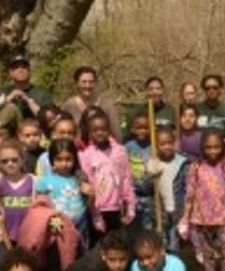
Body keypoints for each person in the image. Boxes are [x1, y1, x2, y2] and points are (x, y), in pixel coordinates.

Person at [179, 129, 225, 271]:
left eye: (216, 147)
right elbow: (189, 195)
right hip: (200, 221)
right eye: (208, 147)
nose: (212, 151)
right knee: (207, 259)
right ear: (202, 148)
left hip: (224, 220)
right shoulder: (195, 167)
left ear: (222, 147)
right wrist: (185, 219)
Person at [79, 109, 136, 240]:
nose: (100, 132)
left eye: (103, 129)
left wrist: (131, 204)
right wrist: (95, 215)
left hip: (118, 208)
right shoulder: (86, 155)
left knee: (120, 243)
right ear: (90, 132)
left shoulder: (120, 151)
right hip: (99, 210)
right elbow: (89, 185)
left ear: (109, 130)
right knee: (102, 246)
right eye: (95, 130)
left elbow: (126, 178)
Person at [149, 126, 189, 253]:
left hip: (178, 211)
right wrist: (150, 174)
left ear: (174, 143)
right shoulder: (154, 163)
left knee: (176, 243)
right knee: (162, 243)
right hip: (161, 211)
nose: (166, 146)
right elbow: (146, 188)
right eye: (162, 144)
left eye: (169, 143)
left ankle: (177, 267)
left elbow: (188, 188)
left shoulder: (182, 163)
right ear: (156, 146)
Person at [0, 141, 36, 244]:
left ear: (22, 160)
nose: (10, 163)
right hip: (7, 236)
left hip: (30, 234)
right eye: (5, 161)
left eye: (14, 160)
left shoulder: (33, 180)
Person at [61, 65, 120, 134]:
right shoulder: (68, 106)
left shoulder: (107, 106)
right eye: (84, 82)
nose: (87, 85)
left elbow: (116, 133)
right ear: (76, 83)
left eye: (91, 82)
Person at [2, 55, 53, 122]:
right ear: (10, 73)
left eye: (24, 67)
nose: (20, 70)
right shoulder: (3, 92)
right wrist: (9, 98)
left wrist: (28, 100)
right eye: (16, 68)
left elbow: (49, 118)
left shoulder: (42, 94)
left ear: (29, 71)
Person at [195, 73, 225, 140]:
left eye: (215, 88)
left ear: (220, 89)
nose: (211, 90)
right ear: (204, 90)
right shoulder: (196, 109)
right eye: (207, 88)